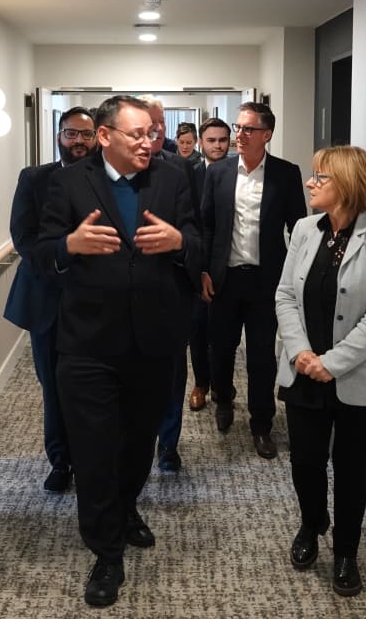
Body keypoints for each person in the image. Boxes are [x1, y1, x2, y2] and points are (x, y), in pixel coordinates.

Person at [35, 95, 200, 607]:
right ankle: (106, 553)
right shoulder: (65, 182)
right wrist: (69, 247)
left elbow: (199, 239)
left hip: (153, 340)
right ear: (104, 136)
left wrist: (178, 240)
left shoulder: (173, 178)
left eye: (151, 134)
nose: (149, 142)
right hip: (87, 344)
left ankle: (127, 507)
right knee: (94, 448)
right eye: (136, 135)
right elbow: (39, 253)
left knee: (137, 443)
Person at [274, 145, 366, 597]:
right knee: (305, 461)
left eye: (320, 177)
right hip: (303, 370)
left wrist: (331, 363)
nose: (310, 183)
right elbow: (285, 295)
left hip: (359, 377)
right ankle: (312, 524)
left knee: (350, 467)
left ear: (346, 185)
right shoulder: (306, 230)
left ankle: (346, 552)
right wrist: (301, 353)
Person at [200, 102, 306, 459]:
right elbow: (206, 224)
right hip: (224, 278)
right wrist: (204, 270)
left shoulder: (285, 174)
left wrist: (292, 279)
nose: (238, 135)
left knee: (262, 356)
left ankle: (261, 423)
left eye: (247, 129)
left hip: (267, 281)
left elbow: (299, 230)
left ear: (267, 135)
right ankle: (224, 399)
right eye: (238, 127)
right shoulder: (218, 173)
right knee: (222, 347)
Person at [3, 106, 97, 492]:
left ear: (97, 138)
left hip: (96, 302)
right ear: (59, 136)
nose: (78, 141)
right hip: (46, 301)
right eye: (71, 133)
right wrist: (60, 266)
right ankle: (61, 462)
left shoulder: (108, 181)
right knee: (53, 387)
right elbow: (22, 236)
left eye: (85, 135)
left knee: (94, 387)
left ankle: (93, 459)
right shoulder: (34, 178)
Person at [139, 98, 203, 474]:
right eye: (150, 125)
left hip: (170, 293)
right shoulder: (99, 175)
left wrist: (179, 241)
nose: (157, 131)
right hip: (122, 300)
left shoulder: (180, 169)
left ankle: (169, 445)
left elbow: (195, 228)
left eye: (161, 124)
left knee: (173, 376)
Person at [185, 117, 231, 411]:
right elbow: (190, 222)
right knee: (198, 328)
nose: (217, 145)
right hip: (195, 263)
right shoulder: (186, 172)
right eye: (211, 140)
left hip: (229, 264)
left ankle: (222, 382)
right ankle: (201, 383)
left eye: (222, 140)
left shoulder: (239, 173)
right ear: (201, 142)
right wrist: (198, 268)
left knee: (224, 331)